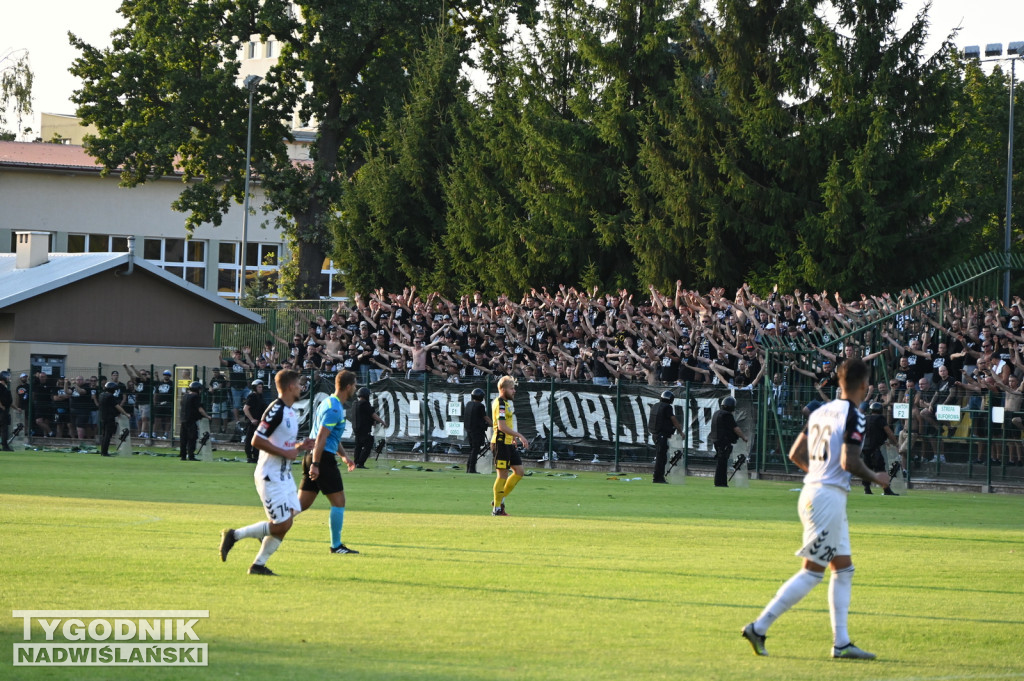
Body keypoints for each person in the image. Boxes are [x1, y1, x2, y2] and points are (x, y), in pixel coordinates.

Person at [742, 358, 890, 660]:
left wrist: (819, 476)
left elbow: (796, 452)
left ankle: (842, 643)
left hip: (817, 492)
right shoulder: (855, 415)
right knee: (812, 573)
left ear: (838, 382)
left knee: (844, 569)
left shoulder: (822, 411)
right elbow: (849, 462)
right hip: (827, 499)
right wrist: (876, 477)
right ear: (865, 385)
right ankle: (759, 626)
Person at [219, 369, 315, 576]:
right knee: (282, 524)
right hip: (270, 475)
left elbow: (285, 445)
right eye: (299, 384)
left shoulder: (290, 411)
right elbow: (257, 440)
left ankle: (258, 565)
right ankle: (234, 535)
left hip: (285, 476)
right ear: (290, 387)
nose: (301, 387)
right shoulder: (276, 409)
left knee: (286, 523)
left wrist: (300, 446)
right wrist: (287, 453)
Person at [299, 370, 360, 553]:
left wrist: (343, 455)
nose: (355, 389)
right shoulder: (335, 408)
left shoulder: (328, 402)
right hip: (322, 458)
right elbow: (321, 437)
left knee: (299, 505)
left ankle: (268, 528)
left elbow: (331, 437)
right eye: (355, 385)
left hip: (313, 455)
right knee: (339, 502)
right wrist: (317, 465)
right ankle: (336, 546)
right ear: (348, 386)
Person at [490, 375, 530, 515]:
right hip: (500, 443)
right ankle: (497, 509)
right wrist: (519, 435)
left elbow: (506, 424)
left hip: (508, 443)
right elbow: (501, 426)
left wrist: (512, 437)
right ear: (503, 389)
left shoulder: (505, 403)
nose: (514, 391)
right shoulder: (500, 403)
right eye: (512, 388)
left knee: (519, 472)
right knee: (502, 475)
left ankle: (499, 500)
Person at [860, 402, 900, 495]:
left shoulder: (866, 418)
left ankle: (867, 489)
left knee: (867, 468)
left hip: (865, 448)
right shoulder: (880, 418)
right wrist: (896, 443)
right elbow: (888, 431)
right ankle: (886, 490)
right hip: (875, 448)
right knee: (880, 468)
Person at [711, 396, 748, 487]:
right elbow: (735, 428)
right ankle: (721, 483)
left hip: (716, 440)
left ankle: (719, 482)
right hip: (724, 441)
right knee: (722, 462)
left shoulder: (716, 413)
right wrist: (743, 437)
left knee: (721, 461)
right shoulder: (727, 415)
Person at [648, 390, 684, 484]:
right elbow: (673, 419)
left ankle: (658, 477)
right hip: (662, 435)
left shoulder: (656, 405)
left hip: (655, 434)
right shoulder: (667, 407)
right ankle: (658, 478)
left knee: (661, 457)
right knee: (661, 458)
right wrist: (680, 431)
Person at [352, 386, 383, 469]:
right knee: (368, 444)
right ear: (366, 396)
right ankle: (360, 463)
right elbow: (373, 415)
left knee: (358, 446)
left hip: (356, 429)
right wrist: (382, 422)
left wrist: (371, 421)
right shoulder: (365, 404)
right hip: (364, 429)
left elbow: (363, 415)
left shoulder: (355, 404)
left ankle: (355, 463)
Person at [97, 381, 130, 457]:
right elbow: (117, 406)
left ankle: (103, 451)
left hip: (103, 417)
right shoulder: (110, 396)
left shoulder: (101, 395)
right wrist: (125, 414)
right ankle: (104, 452)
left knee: (104, 435)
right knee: (107, 436)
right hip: (109, 418)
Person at [180, 381, 211, 461]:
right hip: (191, 420)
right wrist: (207, 416)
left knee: (183, 439)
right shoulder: (195, 397)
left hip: (183, 420)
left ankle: (183, 456)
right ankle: (191, 456)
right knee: (192, 439)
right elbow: (200, 409)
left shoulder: (185, 396)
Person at [464, 387, 491, 473]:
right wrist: (495, 425)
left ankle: (469, 467)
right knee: (475, 449)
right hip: (476, 430)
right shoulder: (480, 406)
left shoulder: (469, 404)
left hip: (469, 429)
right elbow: (485, 417)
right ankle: (471, 469)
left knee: (472, 449)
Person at [242, 379, 266, 463]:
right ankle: (249, 455)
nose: (261, 389)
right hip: (252, 423)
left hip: (259, 422)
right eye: (259, 387)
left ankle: (256, 456)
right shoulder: (252, 396)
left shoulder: (260, 396)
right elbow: (245, 408)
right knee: (249, 439)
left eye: (261, 387)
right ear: (255, 388)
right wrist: (252, 419)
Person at [0, 371, 12, 450]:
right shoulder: (0, 387)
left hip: (5, 409)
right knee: (4, 428)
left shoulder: (4, 387)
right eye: (8, 377)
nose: (9, 378)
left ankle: (4, 444)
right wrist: (1, 406)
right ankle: (5, 445)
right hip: (2, 411)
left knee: (3, 428)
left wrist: (16, 408)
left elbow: (8, 401)